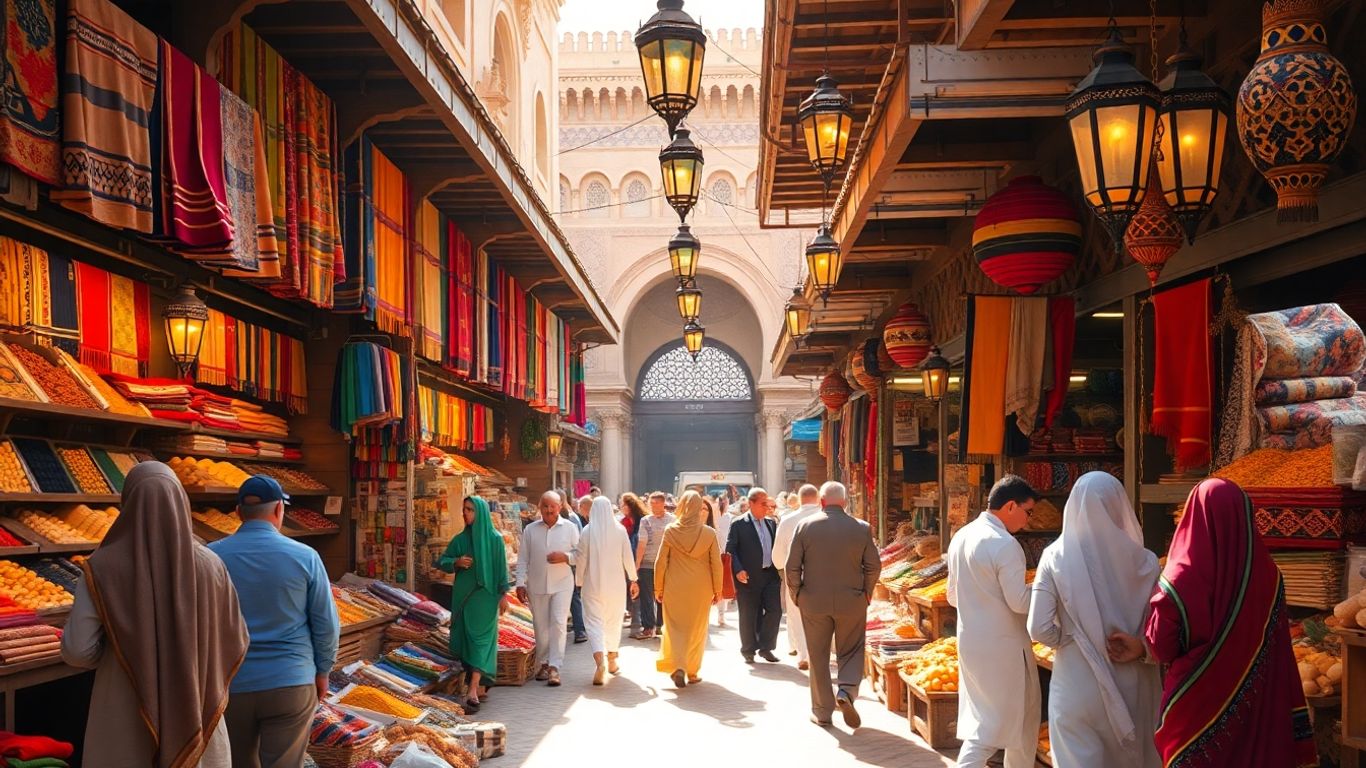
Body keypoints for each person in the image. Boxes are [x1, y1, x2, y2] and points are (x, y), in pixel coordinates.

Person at [1107, 478, 1317, 768]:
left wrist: (1143, 647)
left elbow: (1163, 644)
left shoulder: (1182, 577)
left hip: (1198, 713)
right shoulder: (1270, 576)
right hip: (1256, 710)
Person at [60, 461, 248, 768]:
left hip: (123, 715)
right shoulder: (212, 565)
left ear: (128, 502)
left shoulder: (102, 567)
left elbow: (77, 651)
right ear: (181, 501)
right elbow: (236, 639)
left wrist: (119, 653)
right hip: (197, 709)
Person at [1026, 473, 1160, 768]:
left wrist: (1074, 639)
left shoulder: (1055, 556)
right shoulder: (1148, 563)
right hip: (1133, 683)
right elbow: (1161, 627)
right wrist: (1141, 647)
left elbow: (1038, 628)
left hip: (1076, 683)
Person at [209, 475, 341, 768]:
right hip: (291, 681)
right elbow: (326, 624)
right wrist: (323, 670)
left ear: (238, 512)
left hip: (231, 684)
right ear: (280, 509)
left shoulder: (212, 556)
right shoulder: (306, 557)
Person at [946, 475, 1042, 768]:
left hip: (972, 643)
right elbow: (1020, 602)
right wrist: (1047, 589)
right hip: (1004, 649)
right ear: (1011, 506)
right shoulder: (1005, 544)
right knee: (990, 728)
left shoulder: (962, 536)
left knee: (1015, 723)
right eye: (1028, 512)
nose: (1028, 520)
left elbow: (952, 596)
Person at [785, 481, 879, 729]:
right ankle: (846, 691)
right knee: (852, 649)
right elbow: (873, 566)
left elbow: (792, 567)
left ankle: (822, 711)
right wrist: (866, 593)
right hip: (852, 601)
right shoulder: (861, 528)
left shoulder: (805, 526)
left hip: (813, 601)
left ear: (822, 501)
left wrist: (797, 594)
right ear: (845, 502)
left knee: (818, 655)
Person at [437, 496, 510, 712]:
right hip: (464, 598)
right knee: (467, 640)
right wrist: (456, 562)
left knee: (481, 641)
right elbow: (442, 561)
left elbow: (501, 570)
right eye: (464, 509)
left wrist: (503, 595)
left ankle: (473, 689)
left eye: (470, 509)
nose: (465, 513)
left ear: (480, 513)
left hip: (486, 599)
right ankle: (478, 686)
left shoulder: (495, 540)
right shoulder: (460, 540)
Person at [655, 491, 723, 688]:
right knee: (696, 629)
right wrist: (718, 590)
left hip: (674, 587)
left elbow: (661, 562)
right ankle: (692, 671)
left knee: (674, 628)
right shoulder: (709, 533)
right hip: (701, 589)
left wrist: (658, 587)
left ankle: (678, 666)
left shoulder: (670, 530)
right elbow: (716, 564)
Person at [515, 491, 580, 686]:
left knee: (559, 623)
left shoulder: (570, 528)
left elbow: (581, 554)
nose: (549, 510)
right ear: (540, 507)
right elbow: (523, 559)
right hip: (536, 584)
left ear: (560, 507)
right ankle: (542, 663)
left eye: (553, 506)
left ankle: (554, 667)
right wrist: (520, 583)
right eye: (545, 506)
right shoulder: (530, 530)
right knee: (541, 627)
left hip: (562, 584)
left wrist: (566, 557)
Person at [577, 497, 640, 685]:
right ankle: (612, 660)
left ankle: (599, 663)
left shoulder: (587, 531)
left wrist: (579, 580)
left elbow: (581, 559)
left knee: (593, 623)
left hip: (592, 585)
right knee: (613, 621)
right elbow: (628, 557)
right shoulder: (620, 530)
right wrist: (634, 579)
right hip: (616, 587)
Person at [727, 486, 783, 663]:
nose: (767, 507)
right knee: (748, 614)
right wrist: (738, 569)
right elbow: (730, 550)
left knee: (775, 611)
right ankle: (748, 650)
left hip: (770, 576)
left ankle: (766, 647)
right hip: (748, 577)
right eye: (763, 504)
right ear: (751, 503)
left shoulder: (771, 523)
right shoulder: (738, 524)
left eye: (768, 504)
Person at [773, 483, 822, 670]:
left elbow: (777, 556)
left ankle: (804, 655)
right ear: (818, 498)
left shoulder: (787, 521)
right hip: (824, 576)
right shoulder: (825, 518)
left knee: (797, 615)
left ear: (799, 500)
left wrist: (782, 569)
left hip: (795, 576)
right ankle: (820, 653)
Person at [632, 491, 675, 639]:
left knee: (664, 596)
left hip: (666, 564)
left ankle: (661, 625)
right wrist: (637, 564)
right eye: (651, 503)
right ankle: (648, 627)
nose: (653, 506)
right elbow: (642, 543)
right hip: (647, 563)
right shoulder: (645, 521)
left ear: (664, 503)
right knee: (646, 597)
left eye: (656, 503)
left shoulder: (673, 520)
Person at [709, 497, 736, 627]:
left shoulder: (730, 518)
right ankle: (713, 614)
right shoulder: (711, 517)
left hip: (723, 555)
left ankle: (721, 614)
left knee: (722, 584)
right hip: (713, 554)